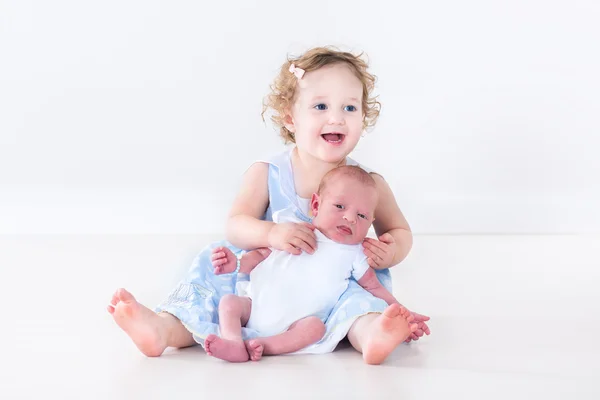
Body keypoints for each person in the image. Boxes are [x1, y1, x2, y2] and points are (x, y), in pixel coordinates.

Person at [108, 46, 430, 365]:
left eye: (349, 108)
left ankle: (375, 335)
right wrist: (272, 233)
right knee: (212, 278)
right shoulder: (267, 173)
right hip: (264, 278)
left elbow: (399, 230)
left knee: (359, 303)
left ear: (364, 116)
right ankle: (164, 329)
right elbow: (236, 224)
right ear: (290, 119)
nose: (336, 118)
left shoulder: (370, 186)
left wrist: (392, 250)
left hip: (331, 287)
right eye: (320, 106)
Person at [204, 165, 420, 363]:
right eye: (340, 206)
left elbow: (373, 287)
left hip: (299, 322)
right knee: (229, 302)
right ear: (316, 204)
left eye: (361, 215)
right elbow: (260, 256)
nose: (350, 218)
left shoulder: (356, 253)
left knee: (315, 328)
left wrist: (403, 312)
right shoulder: (296, 231)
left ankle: (265, 346)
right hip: (255, 307)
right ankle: (233, 342)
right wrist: (236, 264)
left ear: (370, 222)